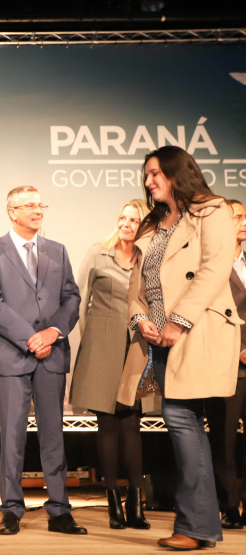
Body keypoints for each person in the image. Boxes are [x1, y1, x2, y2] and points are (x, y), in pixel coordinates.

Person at [116, 145, 241, 550]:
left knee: (181, 418)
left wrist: (178, 321)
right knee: (182, 421)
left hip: (195, 331)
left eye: (156, 173)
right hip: (157, 338)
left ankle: (196, 526)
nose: (149, 181)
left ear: (177, 172)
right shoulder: (153, 223)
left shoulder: (212, 210)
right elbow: (138, 286)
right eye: (147, 174)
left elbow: (214, 268)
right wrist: (141, 319)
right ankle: (200, 524)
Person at [0, 185, 86, 536]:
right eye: (30, 206)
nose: (38, 211)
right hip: (12, 357)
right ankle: (11, 509)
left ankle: (59, 509)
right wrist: (30, 337)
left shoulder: (58, 250)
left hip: (51, 355)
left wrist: (53, 332)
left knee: (53, 435)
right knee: (12, 438)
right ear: (13, 212)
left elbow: (71, 297)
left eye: (41, 205)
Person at [68, 199, 152, 530]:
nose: (126, 224)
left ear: (144, 226)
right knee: (107, 422)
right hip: (101, 344)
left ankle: (136, 503)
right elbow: (80, 299)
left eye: (134, 219)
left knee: (132, 421)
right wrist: (93, 341)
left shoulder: (149, 259)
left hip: (136, 346)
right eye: (122, 218)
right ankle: (113, 500)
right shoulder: (97, 253)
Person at [206, 198, 246, 530]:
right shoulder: (212, 265)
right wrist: (240, 348)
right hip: (227, 363)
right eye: (236, 217)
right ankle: (229, 507)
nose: (243, 222)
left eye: (244, 216)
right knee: (224, 441)